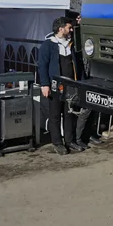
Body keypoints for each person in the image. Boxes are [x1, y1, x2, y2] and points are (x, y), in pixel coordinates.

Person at [38, 17, 85, 155]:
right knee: (55, 115)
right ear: (60, 29)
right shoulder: (48, 45)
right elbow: (42, 66)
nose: (71, 30)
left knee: (69, 113)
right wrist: (44, 84)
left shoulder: (71, 44)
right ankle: (57, 143)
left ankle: (69, 141)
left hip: (71, 85)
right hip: (55, 85)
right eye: (69, 28)